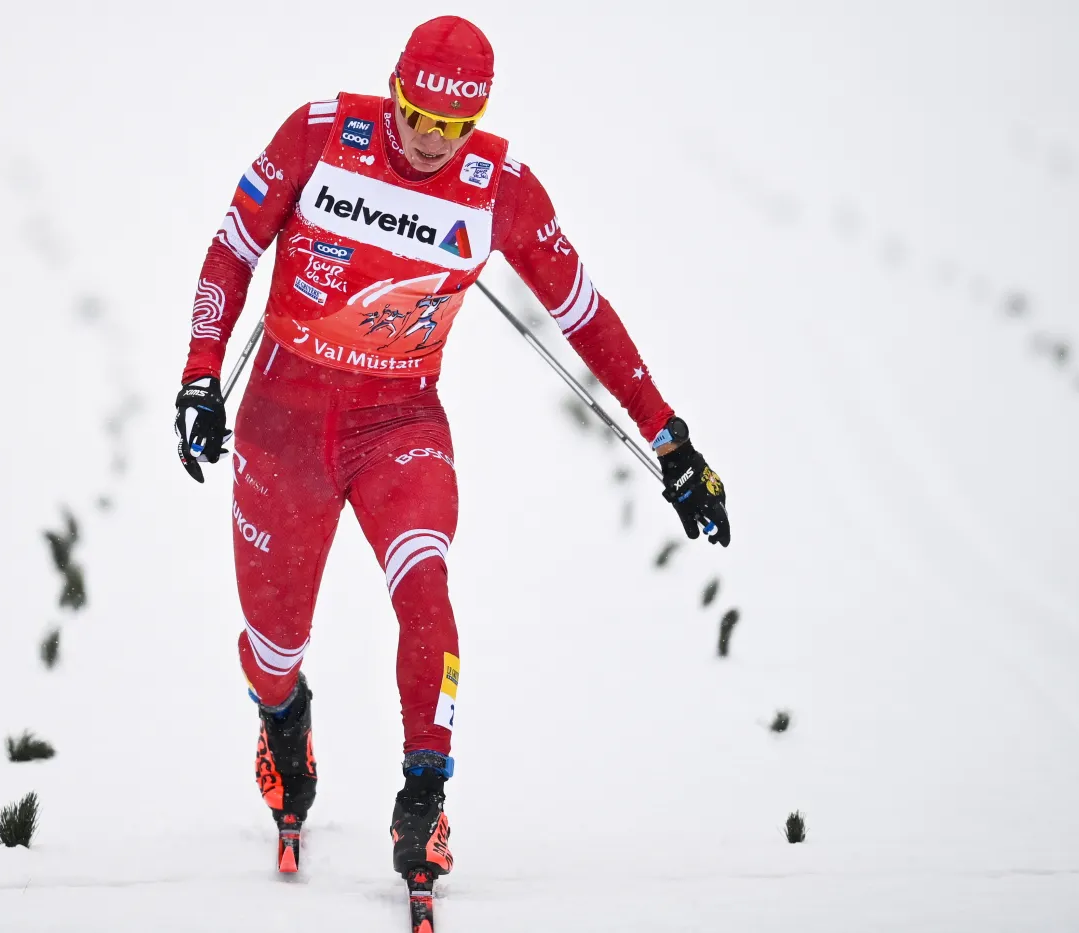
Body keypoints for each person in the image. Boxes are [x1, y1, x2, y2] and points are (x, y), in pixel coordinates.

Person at [174, 15, 731, 882]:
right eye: (417, 116)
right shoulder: (320, 134)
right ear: (393, 90)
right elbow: (232, 248)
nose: (431, 140)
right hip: (284, 428)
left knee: (424, 584)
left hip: (399, 426)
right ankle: (283, 717)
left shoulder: (500, 187)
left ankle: (424, 796)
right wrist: (200, 375)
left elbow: (584, 312)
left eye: (454, 125)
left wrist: (670, 438)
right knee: (273, 652)